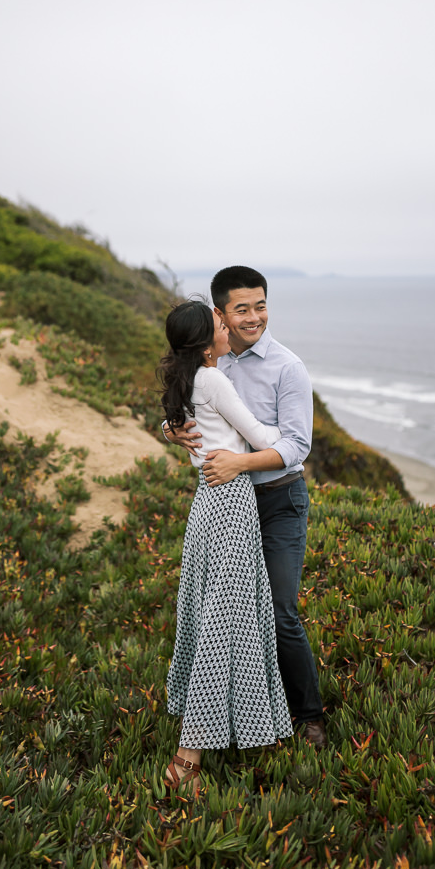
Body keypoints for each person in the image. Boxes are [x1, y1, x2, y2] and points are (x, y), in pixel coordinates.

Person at [164, 265, 326, 749]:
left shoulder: (287, 367)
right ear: (220, 315)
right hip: (229, 506)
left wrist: (239, 463)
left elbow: (297, 447)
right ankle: (246, 713)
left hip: (278, 500)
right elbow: (193, 416)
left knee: (278, 611)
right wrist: (173, 432)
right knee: (236, 612)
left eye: (260, 305)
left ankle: (309, 715)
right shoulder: (212, 365)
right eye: (242, 309)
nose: (254, 317)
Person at [159, 299, 293, 793]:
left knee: (217, 615)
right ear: (206, 340)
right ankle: (186, 759)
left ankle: (233, 727)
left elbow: (182, 427)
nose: (228, 325)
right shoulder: (214, 380)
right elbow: (261, 437)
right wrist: (289, 429)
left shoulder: (186, 381)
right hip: (232, 502)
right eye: (220, 322)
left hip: (206, 503)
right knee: (226, 621)